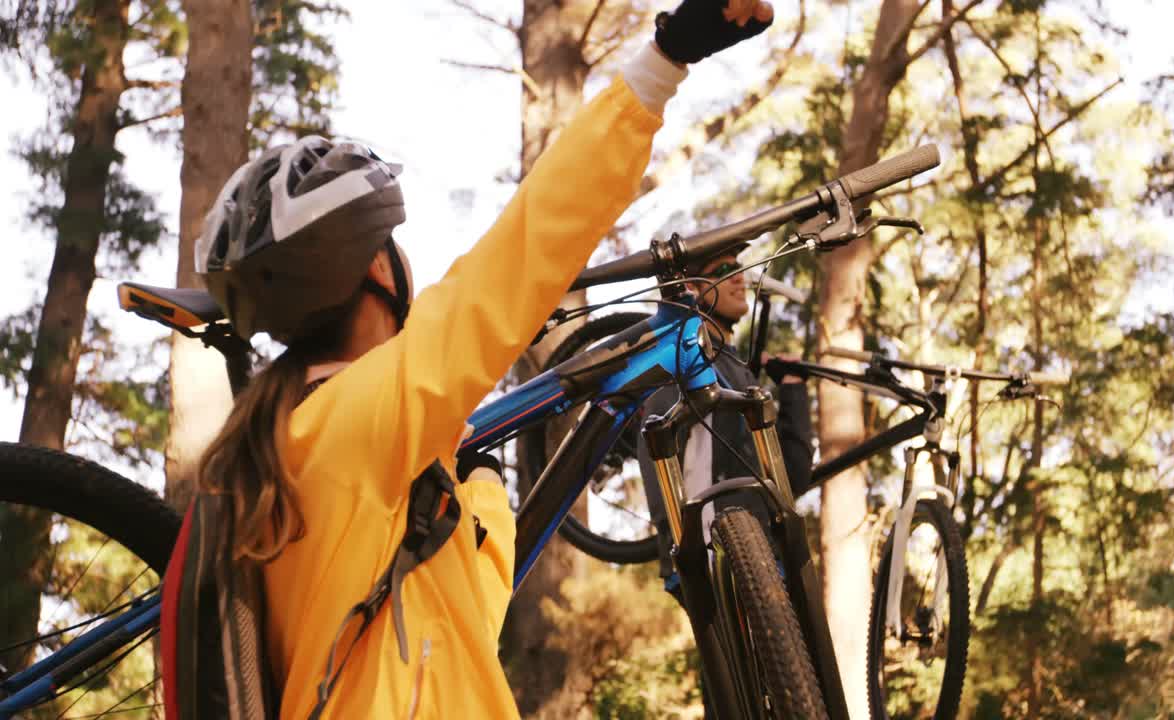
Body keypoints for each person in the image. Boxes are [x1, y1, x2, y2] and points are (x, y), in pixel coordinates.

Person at [185, 1, 776, 717]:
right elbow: (524, 250)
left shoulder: (294, 450)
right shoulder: (358, 415)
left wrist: (479, 485)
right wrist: (662, 64)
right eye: (394, 243)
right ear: (374, 267)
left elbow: (465, 614)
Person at [637, 250, 814, 574]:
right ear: (692, 290)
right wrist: (679, 549)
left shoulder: (738, 373)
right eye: (723, 269)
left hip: (766, 557)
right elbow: (653, 443)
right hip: (717, 557)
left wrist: (792, 389)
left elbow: (795, 476)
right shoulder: (687, 363)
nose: (738, 277)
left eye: (739, 268)